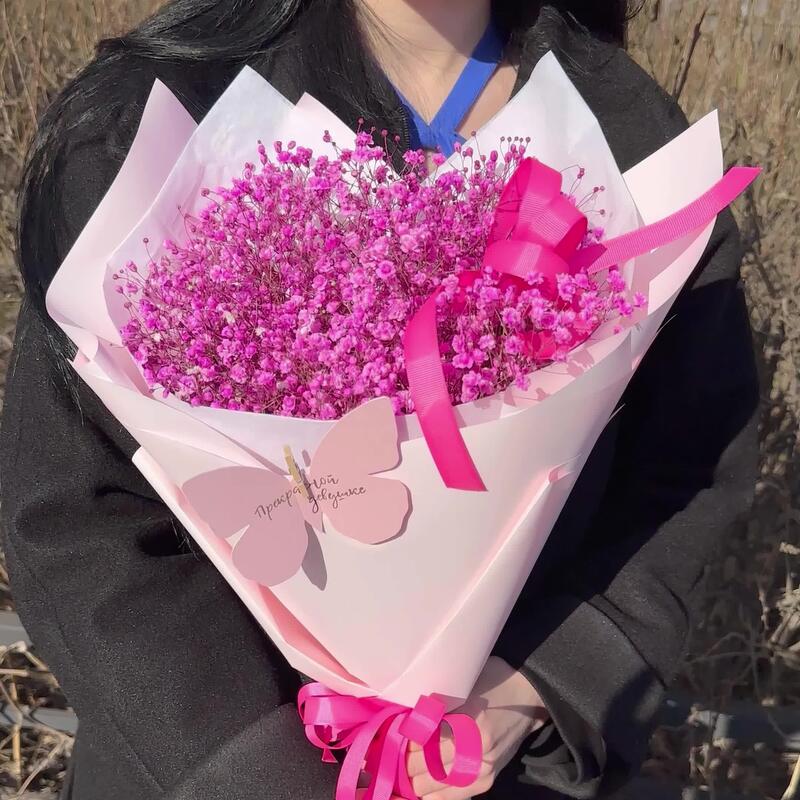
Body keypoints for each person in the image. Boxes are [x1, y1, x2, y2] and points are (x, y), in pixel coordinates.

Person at [0, 2, 759, 799]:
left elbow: (686, 467)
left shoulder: (623, 132)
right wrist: (262, 771)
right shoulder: (153, 115)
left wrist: (539, 680)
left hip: (494, 772)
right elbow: (75, 511)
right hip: (200, 770)